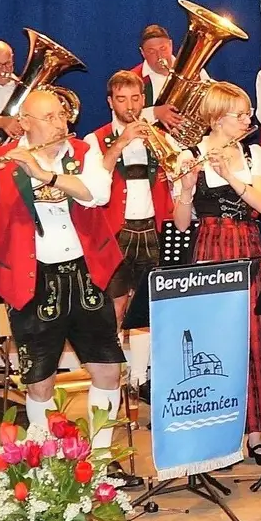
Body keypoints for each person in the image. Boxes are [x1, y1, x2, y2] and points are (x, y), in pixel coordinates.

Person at [0, 89, 125, 450]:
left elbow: (95, 193)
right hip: (32, 280)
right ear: (25, 123)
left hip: (85, 273)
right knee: (39, 380)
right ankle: (44, 461)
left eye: (61, 115)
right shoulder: (1, 160)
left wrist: (44, 174)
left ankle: (101, 456)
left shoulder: (83, 153)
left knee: (107, 370)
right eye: (49, 118)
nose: (60, 123)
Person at [172, 82, 261, 461]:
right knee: (216, 343)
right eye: (240, 114)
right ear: (216, 118)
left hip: (248, 248)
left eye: (248, 112)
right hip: (211, 251)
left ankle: (256, 434)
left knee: (255, 340)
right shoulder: (188, 155)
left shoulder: (254, 153)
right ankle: (216, 433)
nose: (247, 120)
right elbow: (182, 223)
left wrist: (231, 174)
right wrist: (185, 189)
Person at [92, 70, 174, 397]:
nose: (130, 105)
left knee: (146, 306)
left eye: (136, 98)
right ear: (111, 102)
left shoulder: (158, 137)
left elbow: (175, 170)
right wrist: (123, 140)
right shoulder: (95, 140)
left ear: (144, 99)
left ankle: (140, 376)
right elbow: (95, 177)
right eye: (122, 99)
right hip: (116, 232)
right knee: (115, 305)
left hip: (152, 229)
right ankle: (111, 375)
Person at [127, 24, 194, 128]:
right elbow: (121, 117)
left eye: (163, 48)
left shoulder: (193, 70)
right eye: (151, 51)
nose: (159, 56)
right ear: (142, 53)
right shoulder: (132, 79)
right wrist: (155, 112)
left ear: (171, 45)